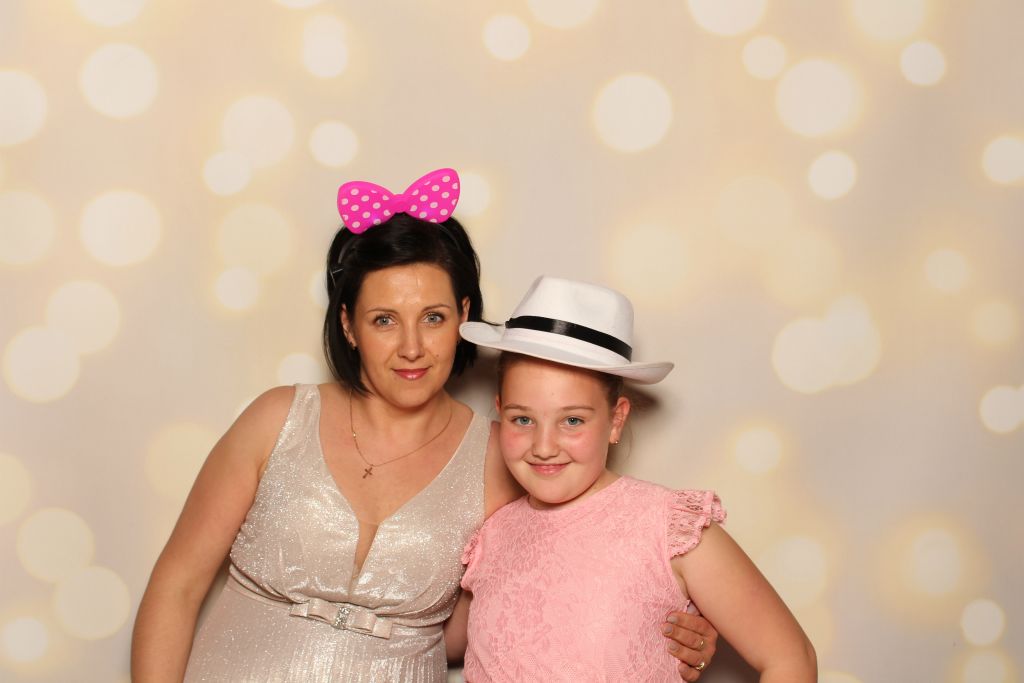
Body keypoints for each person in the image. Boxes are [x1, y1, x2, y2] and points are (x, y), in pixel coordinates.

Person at [130, 169, 717, 682]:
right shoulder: (277, 419)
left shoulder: (508, 457)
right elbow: (177, 585)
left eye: (433, 318)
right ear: (348, 325)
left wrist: (670, 626)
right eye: (384, 320)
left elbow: (576, 574)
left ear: (464, 315)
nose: (411, 348)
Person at [456, 276, 818, 682]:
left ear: (616, 420)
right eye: (523, 419)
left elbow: (791, 657)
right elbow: (440, 639)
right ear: (500, 410)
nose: (543, 446)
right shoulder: (492, 534)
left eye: (572, 421)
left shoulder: (667, 527)